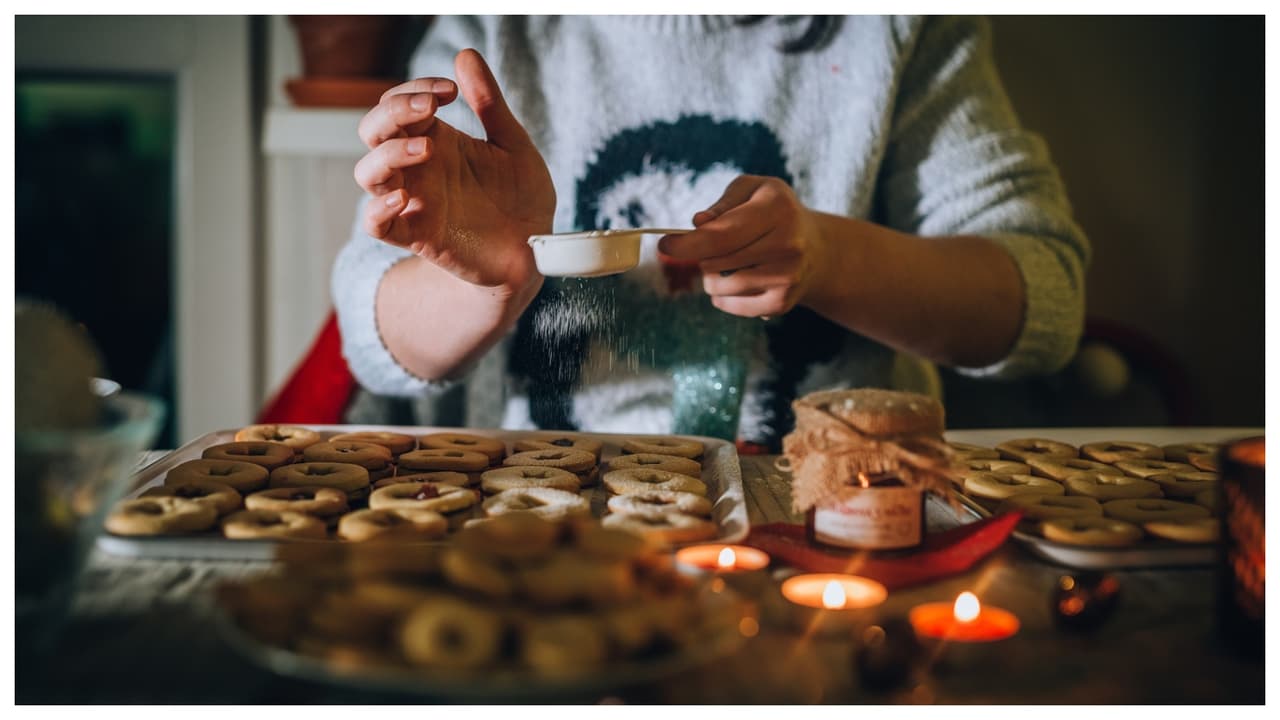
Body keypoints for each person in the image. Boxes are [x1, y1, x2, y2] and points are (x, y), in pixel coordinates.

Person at [332, 15, 1088, 449]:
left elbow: (1040, 302)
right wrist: (490, 283)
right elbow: (376, 335)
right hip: (555, 525)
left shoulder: (893, 24)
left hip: (844, 516)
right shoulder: (492, 27)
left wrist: (828, 257)